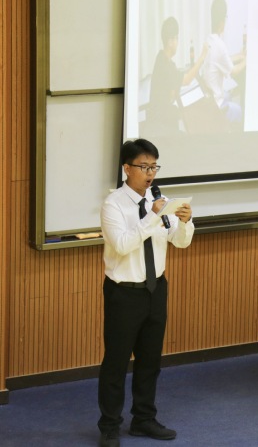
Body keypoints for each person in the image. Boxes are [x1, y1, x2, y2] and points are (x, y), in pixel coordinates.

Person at [97, 139, 194, 447]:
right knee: (116, 362)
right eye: (144, 167)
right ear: (127, 169)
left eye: (154, 167)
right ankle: (109, 426)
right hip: (124, 293)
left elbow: (179, 242)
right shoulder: (113, 204)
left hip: (156, 289)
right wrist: (152, 216)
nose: (150, 173)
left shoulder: (159, 201)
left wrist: (185, 223)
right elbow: (123, 244)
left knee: (150, 360)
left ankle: (144, 419)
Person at [148, 17, 208, 134]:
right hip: (161, 124)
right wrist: (202, 57)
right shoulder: (165, 64)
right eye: (176, 38)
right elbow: (186, 80)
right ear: (170, 41)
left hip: (163, 118)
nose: (177, 43)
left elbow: (172, 89)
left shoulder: (161, 58)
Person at [203, 0, 246, 124]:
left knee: (229, 94)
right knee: (241, 111)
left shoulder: (209, 40)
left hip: (210, 99)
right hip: (217, 106)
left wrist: (240, 56)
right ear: (222, 22)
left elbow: (222, 60)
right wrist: (247, 60)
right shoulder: (220, 45)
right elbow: (234, 71)